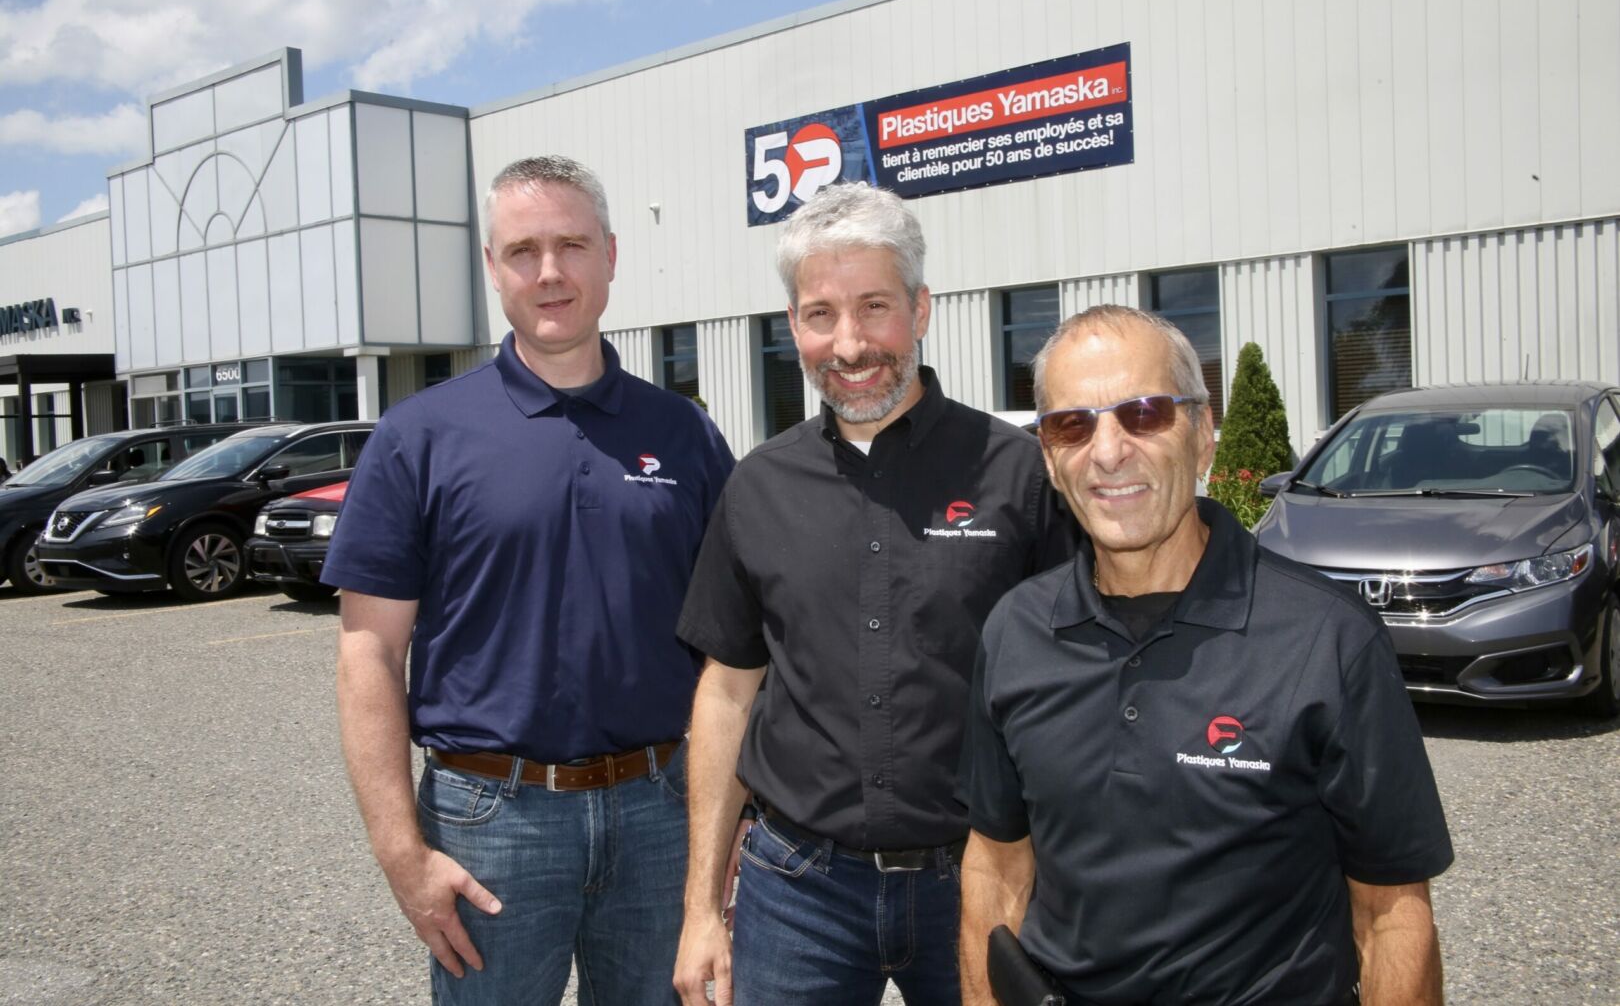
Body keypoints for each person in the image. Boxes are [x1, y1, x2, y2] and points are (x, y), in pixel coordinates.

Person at [326, 155, 734, 1006]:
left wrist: (733, 825)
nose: (550, 273)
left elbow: (736, 649)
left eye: (573, 245)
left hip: (664, 812)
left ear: (612, 256)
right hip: (490, 824)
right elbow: (369, 653)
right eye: (523, 251)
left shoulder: (685, 434)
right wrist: (401, 853)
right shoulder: (419, 437)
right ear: (492, 267)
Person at [958, 305, 1453, 1005]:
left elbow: (1392, 914)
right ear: (1049, 457)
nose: (1107, 451)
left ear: (1202, 436)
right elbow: (996, 868)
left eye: (1144, 413)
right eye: (1073, 425)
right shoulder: (1015, 631)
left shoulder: (1329, 640)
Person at [673, 182, 1074, 1005]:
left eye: (875, 307)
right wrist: (702, 908)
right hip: (797, 889)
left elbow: (1076, 683)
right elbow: (727, 692)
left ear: (921, 309)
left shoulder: (1018, 473)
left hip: (982, 876)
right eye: (821, 314)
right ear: (793, 327)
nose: (849, 343)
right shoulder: (758, 487)